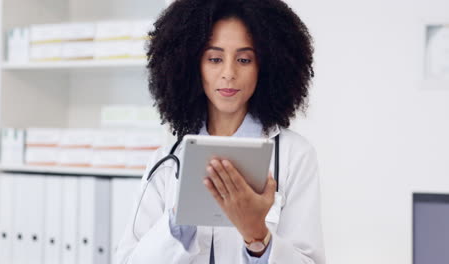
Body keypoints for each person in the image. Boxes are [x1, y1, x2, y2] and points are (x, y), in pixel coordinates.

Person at [116, 0, 325, 263]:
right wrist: (179, 221)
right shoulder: (166, 160)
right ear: (192, 65)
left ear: (266, 66)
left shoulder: (295, 155)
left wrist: (257, 235)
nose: (229, 73)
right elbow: (128, 260)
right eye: (215, 59)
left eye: (244, 59)